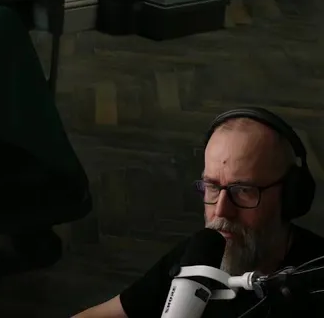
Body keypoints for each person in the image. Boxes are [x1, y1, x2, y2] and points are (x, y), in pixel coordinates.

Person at [75, 107, 324, 318]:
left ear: (290, 196)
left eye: (243, 191)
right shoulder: (203, 253)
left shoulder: (316, 277)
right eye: (212, 187)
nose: (221, 211)